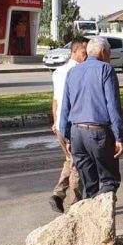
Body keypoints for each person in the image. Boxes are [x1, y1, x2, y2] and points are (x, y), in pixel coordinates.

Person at [58, 35, 123, 199]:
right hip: (98, 133)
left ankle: (91, 218)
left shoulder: (73, 72)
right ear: (103, 52)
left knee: (89, 185)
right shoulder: (105, 69)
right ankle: (104, 221)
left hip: (77, 134)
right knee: (109, 180)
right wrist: (119, 137)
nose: (109, 57)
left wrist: (67, 138)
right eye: (109, 53)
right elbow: (113, 105)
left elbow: (65, 107)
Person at [49, 36, 88, 213]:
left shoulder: (58, 72)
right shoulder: (80, 71)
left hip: (60, 124)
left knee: (71, 161)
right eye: (83, 52)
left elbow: (55, 100)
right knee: (77, 165)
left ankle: (58, 195)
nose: (86, 56)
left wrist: (55, 121)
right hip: (73, 124)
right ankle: (75, 205)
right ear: (74, 52)